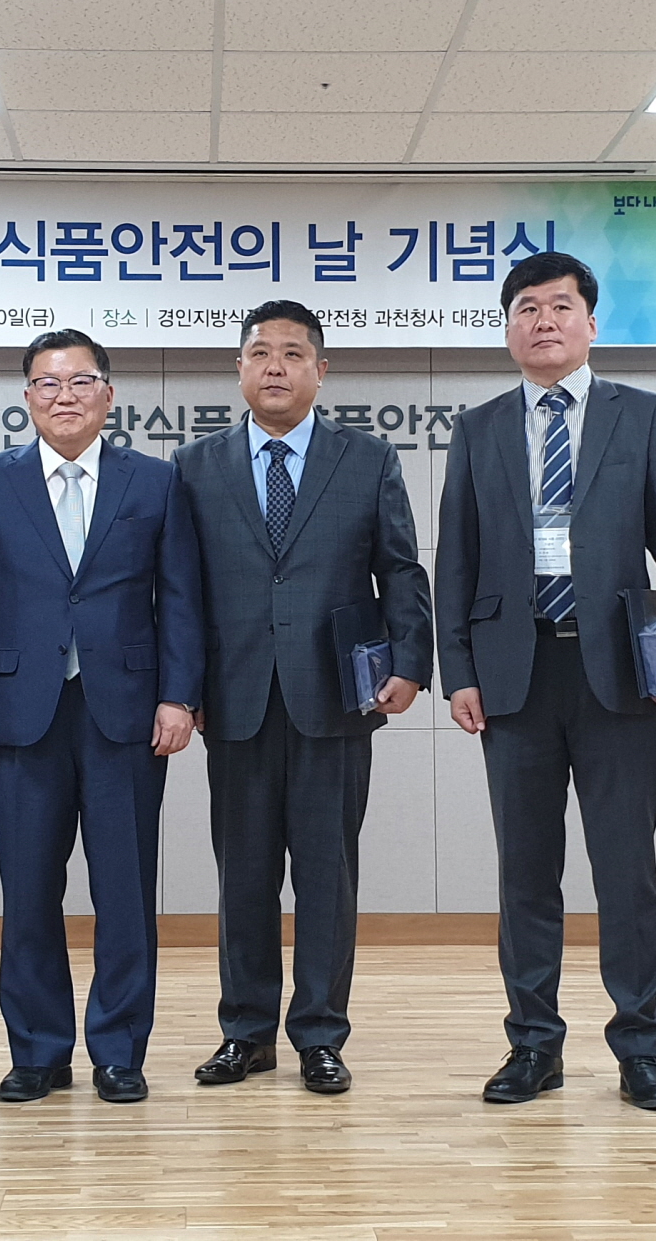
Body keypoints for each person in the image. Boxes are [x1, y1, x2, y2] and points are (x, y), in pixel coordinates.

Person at [434, 251, 656, 1113]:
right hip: (513, 675)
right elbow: (456, 559)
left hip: (619, 673)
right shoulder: (479, 427)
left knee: (627, 870)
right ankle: (533, 1045)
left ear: (591, 324)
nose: (544, 321)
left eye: (560, 306)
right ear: (508, 329)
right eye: (527, 307)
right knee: (526, 873)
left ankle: (641, 1047)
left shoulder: (645, 415)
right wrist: (459, 671)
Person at [174, 301, 432, 1096]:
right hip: (235, 699)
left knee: (328, 877)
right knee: (243, 877)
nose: (276, 367)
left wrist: (410, 662)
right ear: (239, 370)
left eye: (293, 353)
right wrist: (182, 689)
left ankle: (321, 1033)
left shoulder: (367, 458)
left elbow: (401, 568)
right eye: (260, 353)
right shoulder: (194, 465)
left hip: (337, 697)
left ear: (322, 370)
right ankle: (246, 1032)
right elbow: (178, 590)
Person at [0, 329, 202, 1105]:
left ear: (108, 395)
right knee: (27, 891)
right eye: (47, 383)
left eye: (81, 382)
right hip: (20, 713)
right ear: (26, 398)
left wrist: (180, 696)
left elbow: (181, 598)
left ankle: (119, 1050)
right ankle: (38, 1051)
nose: (64, 396)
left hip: (127, 712)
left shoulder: (155, 482)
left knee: (125, 893)